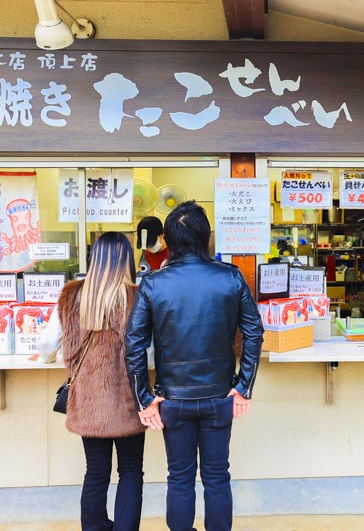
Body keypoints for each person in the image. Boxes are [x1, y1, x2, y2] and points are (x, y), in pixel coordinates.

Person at [124, 201, 263, 531]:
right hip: (219, 395)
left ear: (168, 241)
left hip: (173, 399)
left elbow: (133, 345)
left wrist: (144, 399)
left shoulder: (154, 284)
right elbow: (255, 331)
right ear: (205, 237)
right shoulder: (229, 277)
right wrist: (243, 387)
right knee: (217, 476)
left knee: (180, 478)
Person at [38, 232, 146, 531]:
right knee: (131, 472)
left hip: (88, 399)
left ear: (94, 258)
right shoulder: (138, 296)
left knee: (96, 472)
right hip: (129, 400)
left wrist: (49, 359)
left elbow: (47, 346)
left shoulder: (72, 295)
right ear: (127, 260)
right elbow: (149, 352)